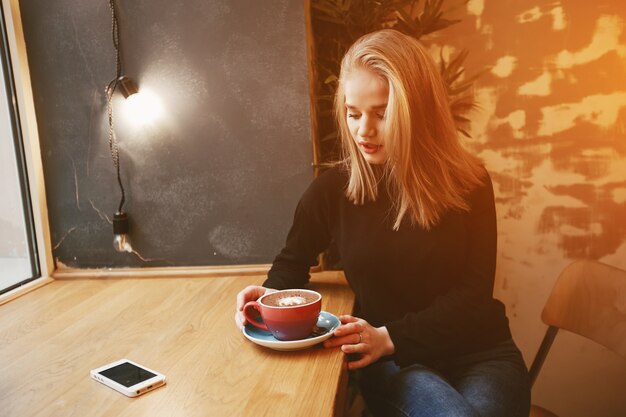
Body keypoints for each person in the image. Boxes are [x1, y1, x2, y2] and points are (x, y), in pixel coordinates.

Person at [235, 29, 530, 417]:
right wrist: (269, 298)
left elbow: (473, 297)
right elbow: (293, 261)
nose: (363, 131)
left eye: (381, 113)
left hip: (481, 353)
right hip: (392, 362)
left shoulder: (471, 182)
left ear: (418, 112)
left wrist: (389, 337)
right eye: (353, 113)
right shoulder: (332, 190)